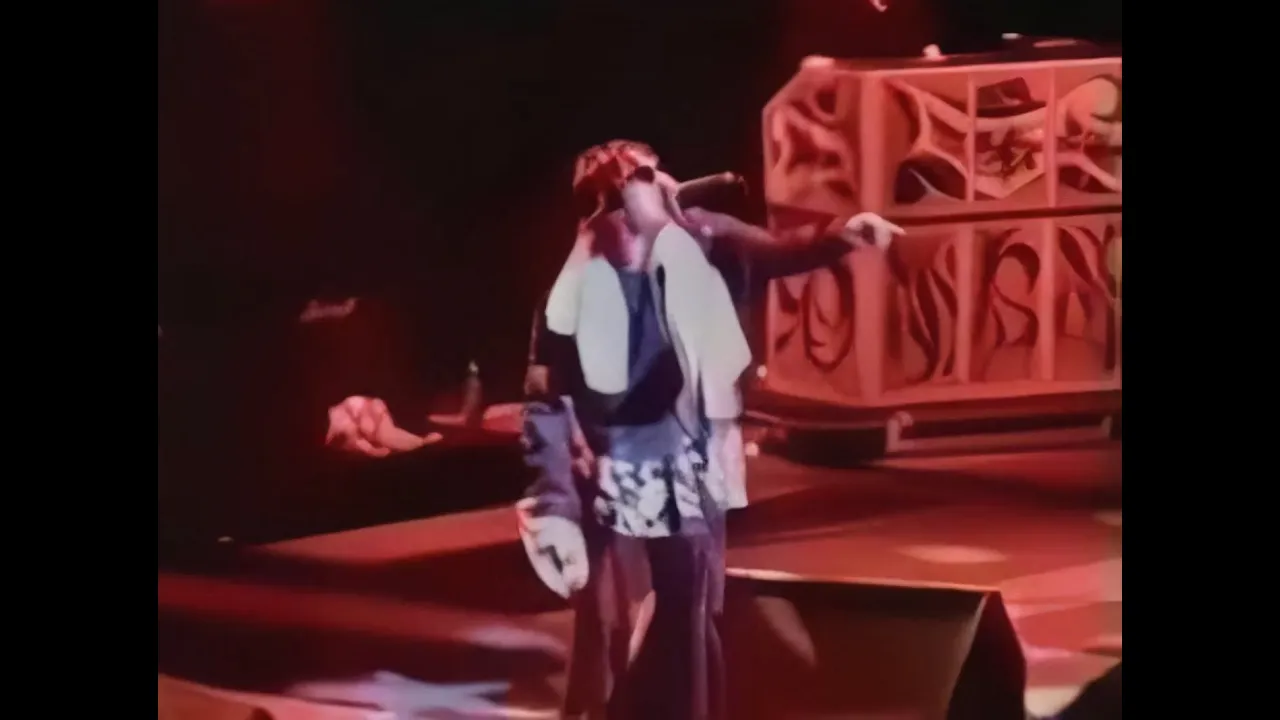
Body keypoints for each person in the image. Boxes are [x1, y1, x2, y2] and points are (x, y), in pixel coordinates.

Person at [517, 140, 901, 719]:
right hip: (609, 464)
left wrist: (843, 235)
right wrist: (554, 495)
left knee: (689, 611)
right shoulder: (576, 285)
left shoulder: (702, 236)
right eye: (631, 186)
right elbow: (545, 397)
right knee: (606, 620)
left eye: (650, 176)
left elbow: (775, 250)